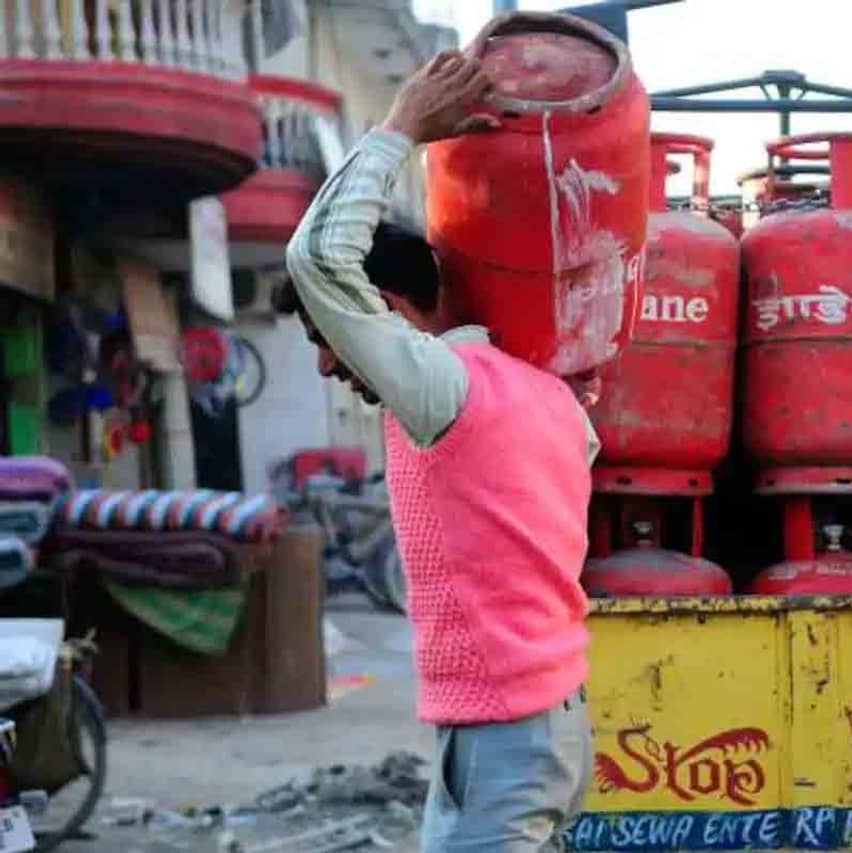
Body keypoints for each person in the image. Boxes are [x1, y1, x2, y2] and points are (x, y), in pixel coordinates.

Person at [283, 49, 599, 853]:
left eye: (328, 339)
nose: (327, 364)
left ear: (384, 310)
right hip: (542, 731)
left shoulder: (445, 387)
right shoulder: (547, 396)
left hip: (504, 740)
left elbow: (318, 257)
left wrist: (400, 132)